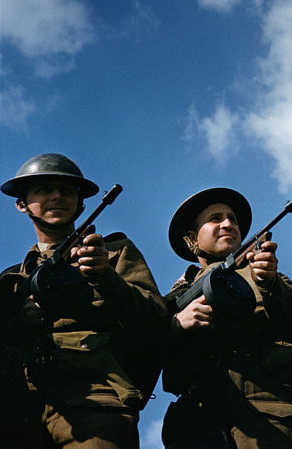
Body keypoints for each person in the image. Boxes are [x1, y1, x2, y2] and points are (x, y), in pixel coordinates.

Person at [0, 152, 167, 448]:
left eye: (66, 190)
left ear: (81, 202)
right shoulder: (10, 280)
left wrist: (106, 277)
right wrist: (20, 322)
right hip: (18, 407)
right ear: (21, 203)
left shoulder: (114, 253)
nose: (57, 197)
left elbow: (156, 320)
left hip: (96, 402)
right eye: (44, 189)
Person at [161, 187, 292, 448]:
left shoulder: (265, 275)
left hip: (268, 415)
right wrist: (176, 324)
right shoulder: (174, 299)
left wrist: (270, 283)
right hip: (197, 422)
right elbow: (142, 345)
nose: (228, 224)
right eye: (215, 218)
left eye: (233, 218)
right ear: (190, 239)